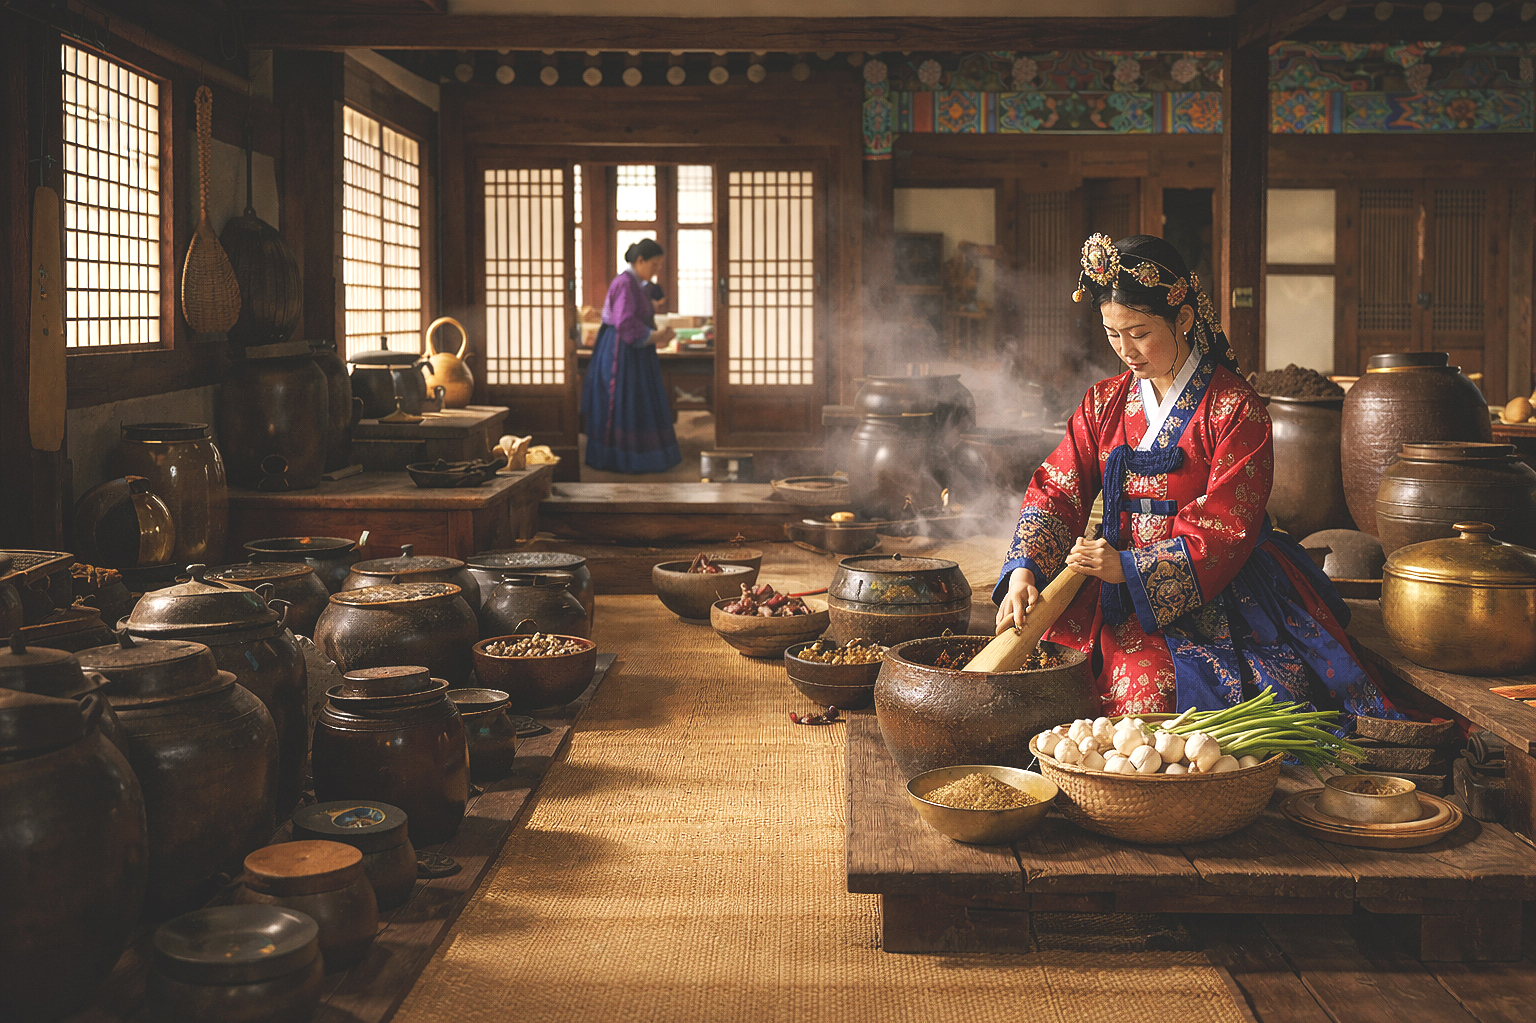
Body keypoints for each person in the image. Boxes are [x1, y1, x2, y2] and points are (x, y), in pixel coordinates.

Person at [995, 233, 1397, 722]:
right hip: (1110, 580)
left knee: (1159, 702)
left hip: (1221, 587)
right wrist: (1024, 572)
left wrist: (1131, 568)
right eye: (1112, 334)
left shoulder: (1234, 409)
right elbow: (1058, 488)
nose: (1126, 350)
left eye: (1139, 332)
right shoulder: (1103, 403)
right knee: (1051, 682)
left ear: (1183, 317)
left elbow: (1227, 527)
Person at [581, 238, 682, 473]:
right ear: (640, 261)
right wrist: (659, 337)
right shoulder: (625, 284)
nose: (657, 271)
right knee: (625, 402)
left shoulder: (637, 284)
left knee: (639, 403)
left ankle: (641, 457)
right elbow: (626, 324)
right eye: (655, 265)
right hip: (621, 353)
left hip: (635, 352)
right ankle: (623, 459)